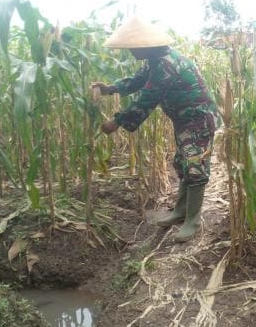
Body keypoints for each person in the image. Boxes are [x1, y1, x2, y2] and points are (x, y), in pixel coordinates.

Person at [92, 16, 220, 242]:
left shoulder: (166, 65)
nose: (131, 52)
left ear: (146, 45)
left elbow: (146, 99)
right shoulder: (156, 60)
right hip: (184, 121)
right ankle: (181, 211)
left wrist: (117, 121)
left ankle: (193, 220)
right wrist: (110, 88)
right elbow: (138, 80)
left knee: (194, 166)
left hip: (198, 121)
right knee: (182, 163)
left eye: (133, 48)